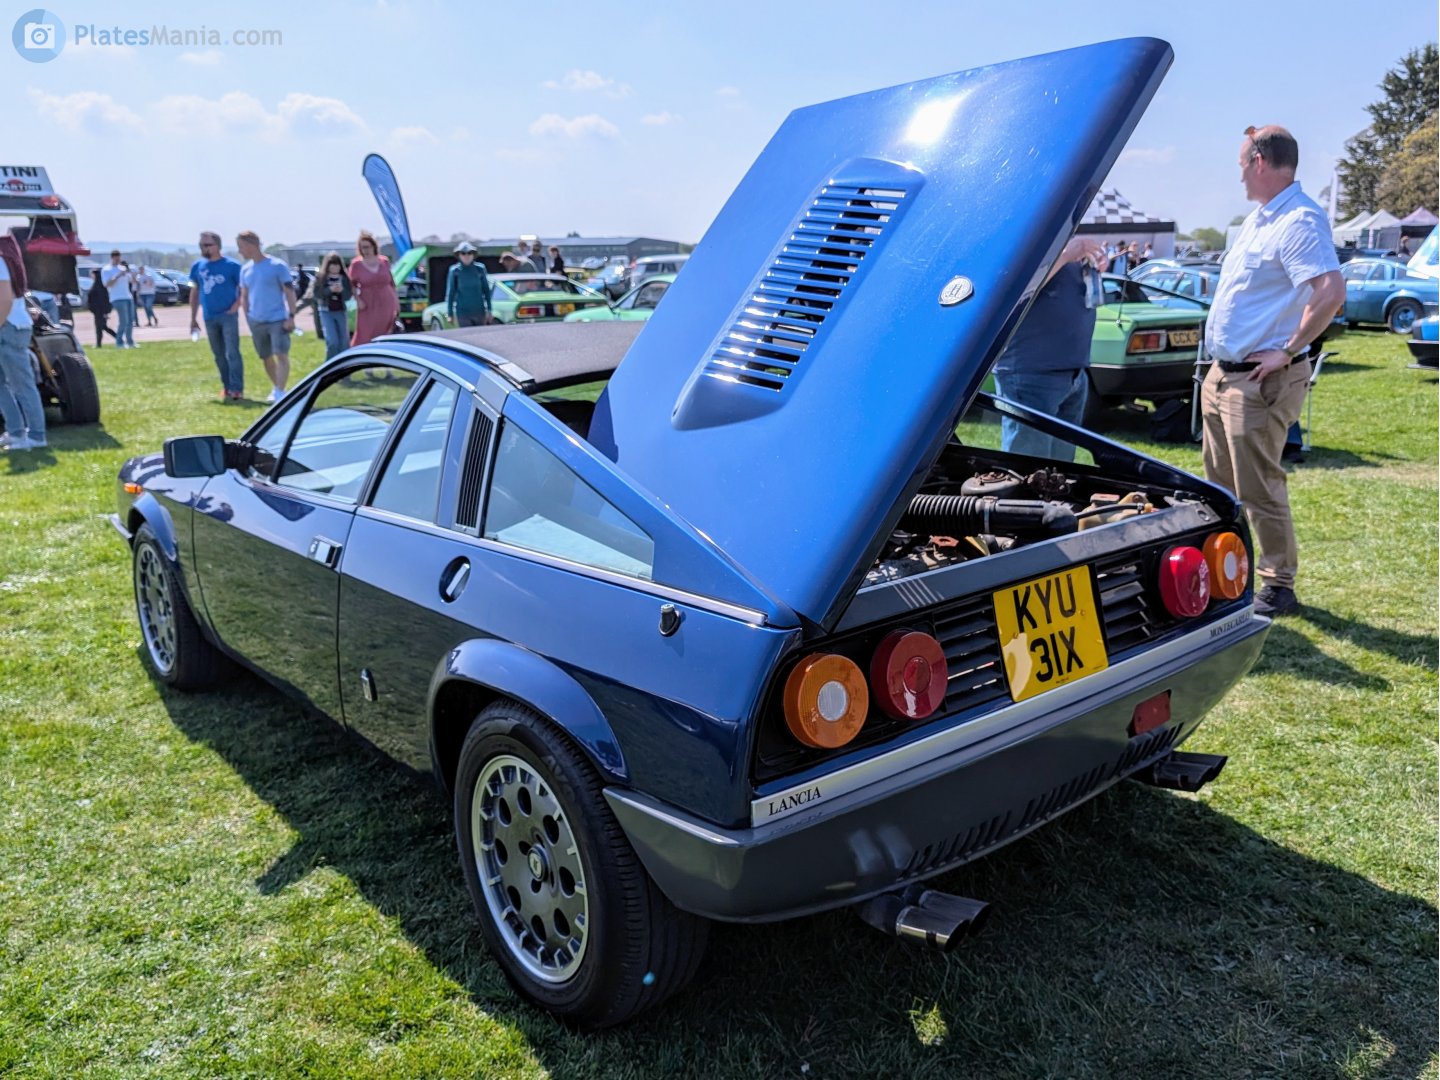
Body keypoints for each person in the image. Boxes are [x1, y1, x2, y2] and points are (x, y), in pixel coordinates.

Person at [1201, 125, 1345, 618]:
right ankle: (1227, 572)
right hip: (1224, 376)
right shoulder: (1260, 219)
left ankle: (1278, 584)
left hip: (1258, 380)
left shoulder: (1299, 221)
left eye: (1242, 163)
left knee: (1258, 487)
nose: (1239, 175)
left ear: (1260, 161)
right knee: (1217, 488)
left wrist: (1287, 350)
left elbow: (1329, 291)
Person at [992, 235, 1108, 461]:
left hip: (1073, 373)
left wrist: (1093, 262)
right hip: (1030, 375)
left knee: (1061, 473)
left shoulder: (1061, 241)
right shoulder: (1026, 238)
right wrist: (1065, 255)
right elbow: (1013, 291)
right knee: (1027, 469)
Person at [236, 230, 298, 403]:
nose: (240, 251)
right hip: (257, 320)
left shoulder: (277, 266)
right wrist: (248, 317)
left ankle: (279, 391)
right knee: (266, 357)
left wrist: (291, 316)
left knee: (281, 354)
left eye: (241, 246)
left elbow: (289, 291)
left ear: (251, 245)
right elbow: (245, 295)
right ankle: (278, 387)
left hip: (277, 319)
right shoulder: (245, 270)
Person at [0, 239, 47, 452]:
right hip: (11, 325)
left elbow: (5, 299)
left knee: (21, 385)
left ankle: (37, 436)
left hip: (8, 327)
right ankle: (16, 431)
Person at [189, 231, 245, 401]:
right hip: (209, 316)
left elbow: (244, 287)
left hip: (228, 315)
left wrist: (237, 305)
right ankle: (227, 387)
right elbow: (194, 291)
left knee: (232, 352)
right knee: (218, 354)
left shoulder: (232, 265)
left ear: (217, 245)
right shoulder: (197, 266)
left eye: (208, 245)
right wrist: (193, 318)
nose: (204, 248)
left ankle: (237, 389)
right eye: (202, 245)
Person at [348, 230, 399, 348]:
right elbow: (351, 285)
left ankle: (387, 362)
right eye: (362, 247)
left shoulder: (384, 261)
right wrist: (358, 300)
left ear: (373, 246)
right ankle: (367, 362)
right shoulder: (356, 265)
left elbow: (392, 283)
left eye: (367, 247)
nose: (365, 250)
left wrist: (396, 303)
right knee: (365, 331)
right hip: (367, 303)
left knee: (386, 330)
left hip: (386, 300)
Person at [313, 251, 352, 360]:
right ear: (327, 265)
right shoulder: (321, 277)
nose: (335, 267)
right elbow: (317, 294)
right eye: (332, 264)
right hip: (326, 311)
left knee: (344, 341)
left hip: (340, 310)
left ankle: (345, 367)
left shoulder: (344, 278)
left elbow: (348, 295)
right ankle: (330, 366)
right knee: (333, 341)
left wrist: (342, 290)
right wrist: (329, 290)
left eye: (337, 264)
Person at [445, 242, 492, 327]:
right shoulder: (455, 271)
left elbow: (486, 290)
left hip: (479, 311)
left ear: (473, 254)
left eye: (469, 253)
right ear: (459, 255)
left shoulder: (480, 269)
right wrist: (450, 314)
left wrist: (489, 310)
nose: (466, 256)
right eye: (463, 253)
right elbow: (451, 293)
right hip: (463, 313)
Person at [101, 250, 136, 348]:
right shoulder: (107, 269)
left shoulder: (123, 268)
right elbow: (107, 284)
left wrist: (132, 274)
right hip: (117, 297)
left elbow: (132, 281)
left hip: (128, 296)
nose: (118, 260)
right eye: (116, 258)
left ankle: (130, 342)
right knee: (123, 320)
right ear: (112, 258)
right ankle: (119, 342)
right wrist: (118, 275)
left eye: (119, 258)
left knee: (130, 320)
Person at [86, 268, 117, 347]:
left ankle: (100, 343)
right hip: (97, 310)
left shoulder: (100, 286)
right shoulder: (96, 284)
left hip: (100, 310)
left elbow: (103, 300)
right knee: (101, 327)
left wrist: (105, 312)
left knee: (101, 327)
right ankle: (100, 343)